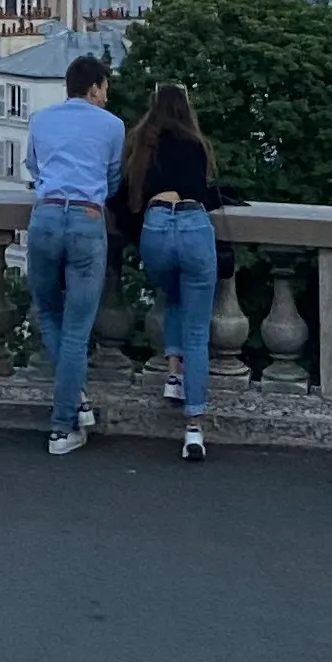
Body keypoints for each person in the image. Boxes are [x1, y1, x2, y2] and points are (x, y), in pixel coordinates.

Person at [28, 51, 125, 454]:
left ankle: (77, 398)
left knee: (48, 312)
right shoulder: (113, 125)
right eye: (105, 89)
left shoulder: (40, 119)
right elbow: (113, 178)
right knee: (77, 330)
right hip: (87, 220)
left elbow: (34, 169)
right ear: (94, 87)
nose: (107, 96)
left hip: (46, 217)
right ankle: (62, 425)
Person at [119, 80, 221, 463]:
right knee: (198, 331)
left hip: (157, 229)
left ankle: (173, 373)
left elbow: (127, 197)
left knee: (175, 294)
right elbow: (205, 192)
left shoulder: (141, 144)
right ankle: (193, 429)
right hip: (193, 226)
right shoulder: (196, 144)